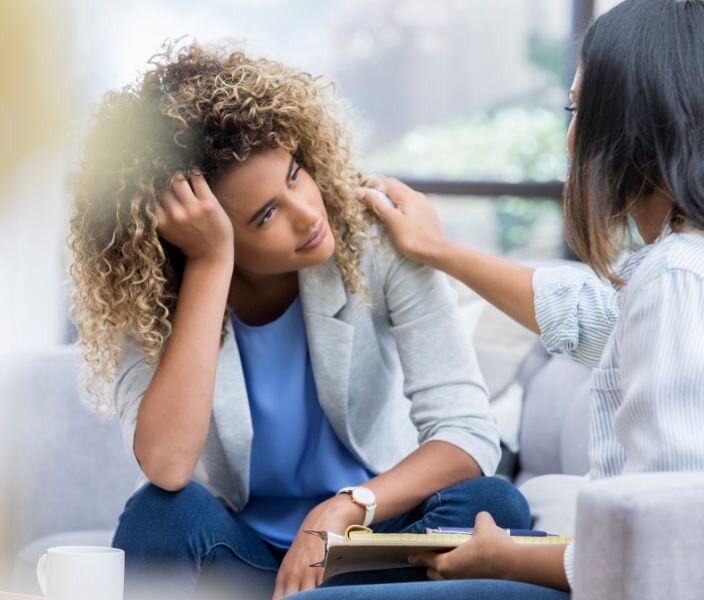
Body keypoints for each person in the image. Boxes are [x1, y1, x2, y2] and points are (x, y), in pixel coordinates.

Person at [295, 0, 704, 598]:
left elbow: (668, 541)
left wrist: (506, 561)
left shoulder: (681, 277)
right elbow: (594, 320)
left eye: (579, 110)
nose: (569, 142)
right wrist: (439, 251)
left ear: (639, 125)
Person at [68, 42, 531, 600]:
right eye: (266, 215)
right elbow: (166, 466)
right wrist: (212, 264)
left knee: (494, 504)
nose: (308, 213)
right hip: (239, 554)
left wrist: (346, 506)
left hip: (368, 546)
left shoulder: (376, 241)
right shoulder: (147, 296)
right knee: (158, 513)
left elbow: (467, 432)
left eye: (295, 174)